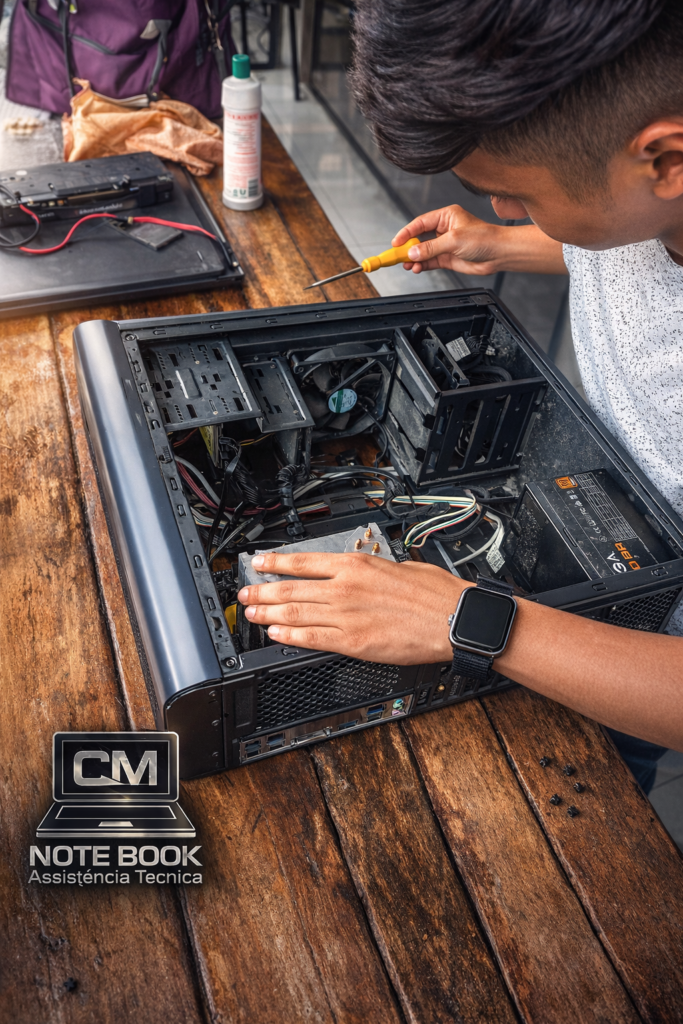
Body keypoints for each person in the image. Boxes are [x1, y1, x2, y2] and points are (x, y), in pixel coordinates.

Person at [237, 0, 683, 791]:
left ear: (667, 158)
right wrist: (503, 241)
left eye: (517, 195)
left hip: (641, 658)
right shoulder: (642, 194)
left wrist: (465, 619)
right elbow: (622, 242)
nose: (500, 207)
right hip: (569, 521)